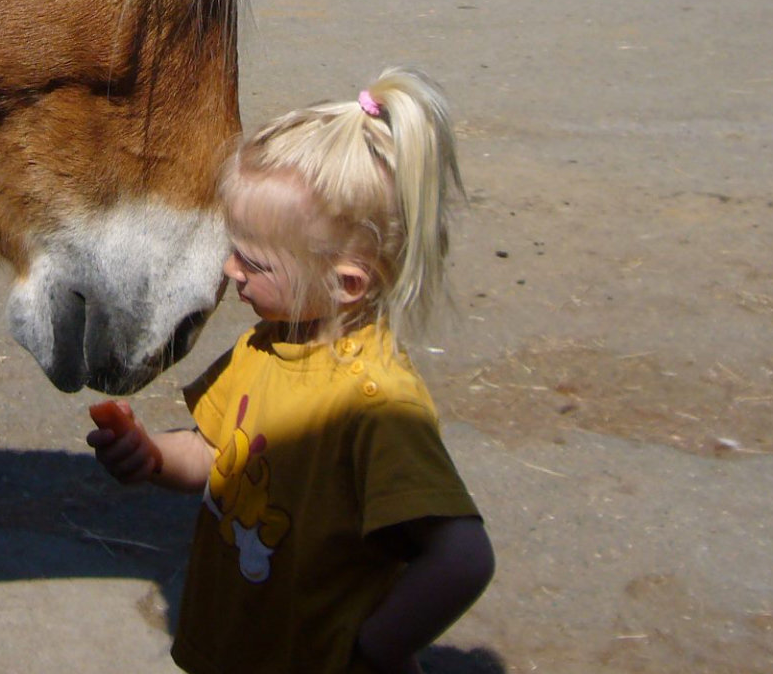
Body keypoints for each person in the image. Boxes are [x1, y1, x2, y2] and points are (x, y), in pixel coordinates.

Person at [86, 67, 494, 674]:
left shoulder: (377, 406)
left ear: (346, 282)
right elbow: (217, 455)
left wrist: (373, 648)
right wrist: (152, 456)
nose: (229, 269)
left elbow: (462, 560)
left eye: (252, 260)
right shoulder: (268, 345)